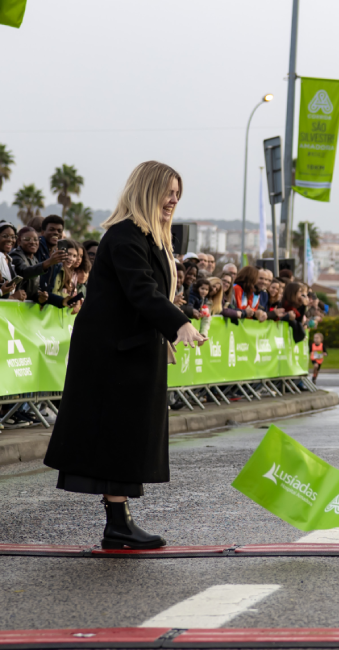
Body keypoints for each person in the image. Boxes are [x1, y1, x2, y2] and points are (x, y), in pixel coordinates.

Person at [43, 161, 206, 550]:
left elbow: (149, 292)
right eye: (167, 191)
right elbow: (140, 289)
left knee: (124, 436)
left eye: (177, 193)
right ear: (147, 190)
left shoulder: (151, 237)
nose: (174, 199)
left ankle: (119, 524)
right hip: (113, 354)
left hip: (131, 349)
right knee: (117, 436)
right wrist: (179, 323)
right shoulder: (124, 235)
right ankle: (118, 524)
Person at [11, 226, 65, 303]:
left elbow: (32, 290)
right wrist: (48, 262)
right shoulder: (15, 255)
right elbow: (24, 272)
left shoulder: (34, 259)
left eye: (36, 239)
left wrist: (39, 296)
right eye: (27, 239)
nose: (33, 242)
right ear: (19, 241)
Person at [0, 222, 24, 300]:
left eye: (13, 237)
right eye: (5, 236)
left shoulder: (9, 259)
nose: (10, 240)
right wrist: (12, 297)